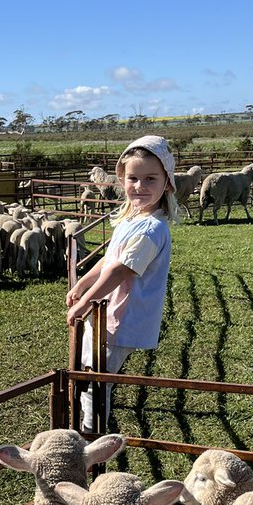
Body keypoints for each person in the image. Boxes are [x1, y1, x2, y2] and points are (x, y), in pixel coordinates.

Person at [65, 134, 178, 432]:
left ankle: (92, 434)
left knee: (96, 381)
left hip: (122, 317)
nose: (140, 186)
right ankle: (89, 426)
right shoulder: (131, 219)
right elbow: (109, 259)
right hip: (107, 312)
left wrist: (84, 302)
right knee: (91, 372)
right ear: (122, 179)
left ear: (167, 183)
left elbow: (120, 271)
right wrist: (82, 284)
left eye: (150, 179)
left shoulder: (151, 229)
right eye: (133, 178)